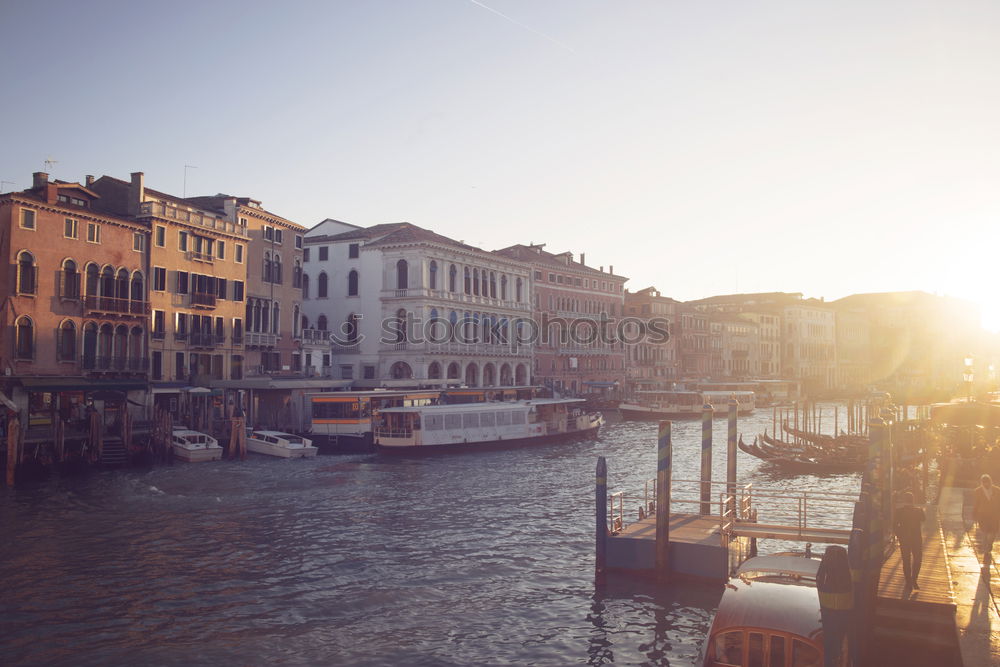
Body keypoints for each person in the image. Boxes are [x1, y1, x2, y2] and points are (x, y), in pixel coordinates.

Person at [894, 491, 925, 589]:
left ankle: (908, 582)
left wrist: (899, 536)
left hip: (904, 539)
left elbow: (894, 526)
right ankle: (914, 580)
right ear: (913, 500)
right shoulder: (919, 511)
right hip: (916, 539)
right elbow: (923, 519)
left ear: (904, 500)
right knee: (917, 560)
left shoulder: (899, 511)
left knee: (906, 560)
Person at [973, 474, 1000, 569]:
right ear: (981, 483)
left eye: (987, 482)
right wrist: (974, 515)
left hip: (994, 516)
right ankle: (986, 549)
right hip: (983, 515)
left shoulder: (997, 490)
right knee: (985, 532)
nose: (986, 484)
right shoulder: (978, 491)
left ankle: (989, 545)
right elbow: (976, 504)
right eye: (984, 483)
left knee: (992, 534)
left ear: (990, 481)